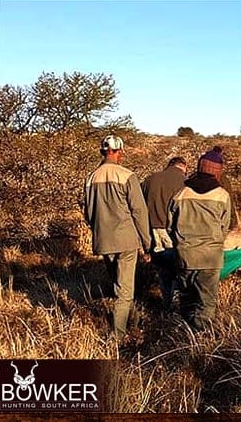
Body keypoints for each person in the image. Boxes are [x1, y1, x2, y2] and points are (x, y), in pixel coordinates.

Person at [83, 134, 152, 343]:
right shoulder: (127, 175)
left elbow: (87, 213)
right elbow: (139, 211)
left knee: (119, 284)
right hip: (126, 240)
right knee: (124, 290)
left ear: (102, 151)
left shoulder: (90, 178)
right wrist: (147, 242)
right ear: (118, 151)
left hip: (103, 240)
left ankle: (135, 319)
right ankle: (118, 336)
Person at [167, 148, 232, 330]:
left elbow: (169, 226)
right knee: (206, 302)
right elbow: (224, 227)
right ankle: (200, 337)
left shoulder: (181, 194)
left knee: (186, 298)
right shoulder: (222, 195)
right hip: (210, 258)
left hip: (184, 256)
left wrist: (181, 244)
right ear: (217, 171)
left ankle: (184, 331)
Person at [141, 157, 188, 311]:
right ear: (184, 167)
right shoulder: (185, 182)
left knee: (162, 269)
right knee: (178, 267)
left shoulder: (149, 179)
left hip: (151, 230)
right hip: (173, 231)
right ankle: (175, 305)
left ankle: (166, 302)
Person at [196, 146, 241, 230]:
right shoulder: (223, 181)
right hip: (215, 232)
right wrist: (233, 225)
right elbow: (229, 206)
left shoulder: (189, 182)